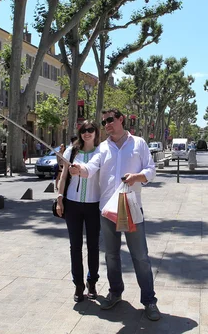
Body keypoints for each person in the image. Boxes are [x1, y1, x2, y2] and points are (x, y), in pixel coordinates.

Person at [69, 108, 159, 321]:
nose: (107, 125)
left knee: (141, 257)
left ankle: (149, 301)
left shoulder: (139, 143)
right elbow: (90, 168)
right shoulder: (102, 147)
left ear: (121, 119)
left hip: (131, 208)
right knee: (111, 255)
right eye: (104, 122)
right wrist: (78, 169)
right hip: (107, 210)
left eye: (110, 120)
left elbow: (151, 170)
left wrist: (137, 176)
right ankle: (115, 292)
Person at [56, 121, 101, 302]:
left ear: (96, 132)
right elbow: (63, 176)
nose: (87, 133)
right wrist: (60, 199)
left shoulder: (102, 152)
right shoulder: (71, 151)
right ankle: (78, 284)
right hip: (72, 204)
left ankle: (92, 282)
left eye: (90, 130)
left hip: (94, 204)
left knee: (93, 246)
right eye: (83, 131)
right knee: (75, 246)